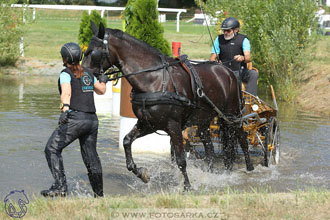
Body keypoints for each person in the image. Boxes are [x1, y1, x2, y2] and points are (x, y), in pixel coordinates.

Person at [41, 42, 109, 198]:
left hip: (76, 119)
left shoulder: (65, 73)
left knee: (51, 149)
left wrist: (65, 109)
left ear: (64, 58)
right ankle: (99, 196)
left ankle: (60, 187)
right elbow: (102, 90)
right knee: (91, 158)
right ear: (80, 57)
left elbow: (66, 92)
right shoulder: (88, 73)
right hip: (92, 121)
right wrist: (103, 79)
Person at [210, 17, 258, 96]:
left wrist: (242, 58)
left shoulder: (244, 40)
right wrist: (216, 63)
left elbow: (248, 58)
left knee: (253, 74)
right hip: (224, 71)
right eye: (224, 30)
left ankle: (250, 99)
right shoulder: (218, 39)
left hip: (241, 71)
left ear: (236, 30)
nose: (225, 33)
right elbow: (212, 59)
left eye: (228, 30)